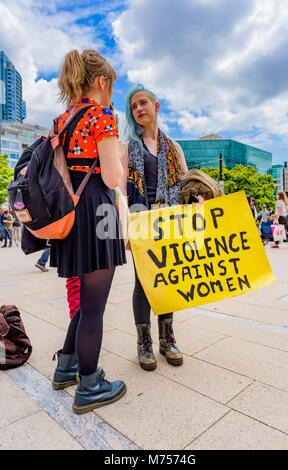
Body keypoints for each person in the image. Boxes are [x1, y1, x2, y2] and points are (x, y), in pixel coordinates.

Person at [50, 49, 127, 414]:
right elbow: (112, 178)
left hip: (71, 215)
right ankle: (90, 384)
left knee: (84, 303)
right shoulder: (101, 115)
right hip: (98, 212)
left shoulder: (63, 118)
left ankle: (66, 366)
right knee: (94, 307)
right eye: (111, 85)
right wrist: (121, 158)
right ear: (101, 82)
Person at [120, 84, 188, 371]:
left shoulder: (173, 147)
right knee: (143, 282)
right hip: (140, 220)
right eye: (133, 106)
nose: (138, 109)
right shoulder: (126, 148)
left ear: (156, 106)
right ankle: (144, 342)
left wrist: (197, 200)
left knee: (168, 280)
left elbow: (186, 183)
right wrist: (125, 228)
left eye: (142, 103)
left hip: (169, 223)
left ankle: (167, 338)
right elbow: (121, 191)